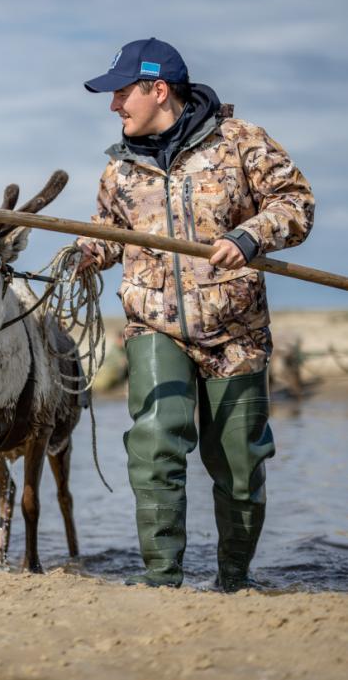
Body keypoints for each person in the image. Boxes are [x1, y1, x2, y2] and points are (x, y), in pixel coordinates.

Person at [75, 38, 314, 591]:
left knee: (238, 463)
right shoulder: (120, 169)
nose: (114, 106)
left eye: (121, 93)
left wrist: (250, 235)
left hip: (237, 331)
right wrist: (92, 252)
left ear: (158, 90)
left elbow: (295, 203)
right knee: (155, 441)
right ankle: (163, 582)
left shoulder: (241, 141)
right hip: (153, 322)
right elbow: (111, 232)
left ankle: (233, 580)